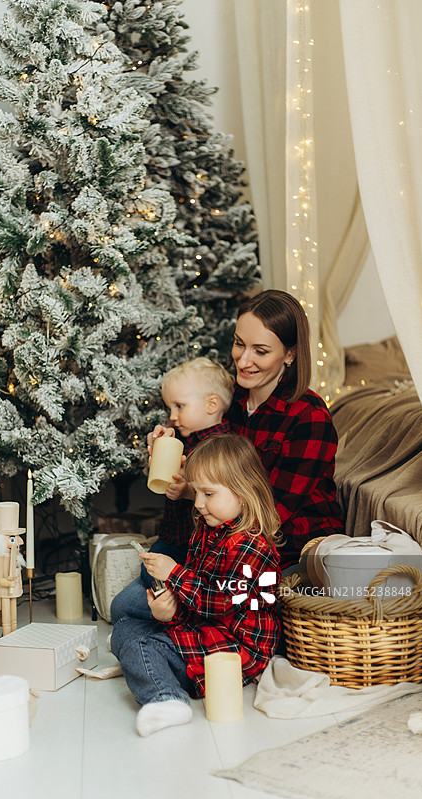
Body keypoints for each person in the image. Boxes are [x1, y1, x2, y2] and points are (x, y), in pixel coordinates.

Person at [111, 433, 281, 737]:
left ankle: (167, 699)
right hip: (204, 629)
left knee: (141, 644)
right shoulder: (207, 530)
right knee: (124, 629)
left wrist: (174, 572)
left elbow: (219, 601)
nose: (198, 504)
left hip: (235, 649)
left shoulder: (252, 546)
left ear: (244, 492)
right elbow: (197, 599)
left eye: (208, 494)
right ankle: (165, 673)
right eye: (196, 492)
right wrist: (169, 613)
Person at [226, 289, 344, 570]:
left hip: (290, 549)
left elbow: (272, 513)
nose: (243, 361)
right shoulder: (230, 399)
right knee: (131, 602)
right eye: (239, 344)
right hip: (231, 537)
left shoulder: (309, 417)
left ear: (290, 354)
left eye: (261, 351)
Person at [110, 357, 234, 624]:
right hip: (173, 540)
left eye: (180, 406)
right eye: (170, 407)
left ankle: (183, 613)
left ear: (211, 404)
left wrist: (189, 491)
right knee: (138, 585)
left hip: (200, 555)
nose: (173, 416)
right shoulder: (184, 441)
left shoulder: (224, 448)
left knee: (128, 604)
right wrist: (159, 450)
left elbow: (224, 499)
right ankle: (170, 609)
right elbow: (161, 480)